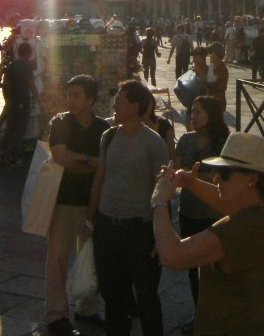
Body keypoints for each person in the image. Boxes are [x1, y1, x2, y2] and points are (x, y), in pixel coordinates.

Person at [152, 132, 264, 336]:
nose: (217, 178)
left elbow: (171, 256)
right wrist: (191, 183)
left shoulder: (240, 229)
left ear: (252, 179)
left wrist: (159, 199)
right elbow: (229, 203)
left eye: (225, 174)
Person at [88, 80, 170, 336]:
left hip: (139, 228)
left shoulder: (153, 142)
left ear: (135, 106)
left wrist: (162, 232)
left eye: (120, 100)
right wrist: (91, 219)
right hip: (107, 224)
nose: (114, 104)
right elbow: (100, 177)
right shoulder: (109, 135)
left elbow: (163, 188)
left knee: (146, 294)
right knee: (112, 294)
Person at [44, 75, 109, 336]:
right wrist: (90, 161)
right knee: (58, 258)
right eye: (68, 94)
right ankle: (56, 315)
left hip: (94, 200)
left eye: (76, 95)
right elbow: (61, 158)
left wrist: (81, 162)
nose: (70, 100)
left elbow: (102, 167)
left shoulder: (103, 127)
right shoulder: (60, 122)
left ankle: (88, 308)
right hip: (64, 199)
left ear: (91, 99)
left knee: (91, 255)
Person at [171, 96, 229, 333]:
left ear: (211, 115)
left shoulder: (224, 143)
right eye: (190, 112)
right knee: (193, 269)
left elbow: (225, 181)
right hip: (188, 211)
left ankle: (220, 317)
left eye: (197, 112)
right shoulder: (185, 140)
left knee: (218, 269)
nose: (191, 116)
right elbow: (176, 172)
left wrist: (193, 179)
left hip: (214, 211)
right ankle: (200, 315)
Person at [205, 41, 228, 111]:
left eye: (211, 53)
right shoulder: (216, 66)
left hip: (217, 100)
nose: (210, 55)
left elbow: (210, 80)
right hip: (212, 98)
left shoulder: (221, 68)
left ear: (217, 53)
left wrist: (211, 64)